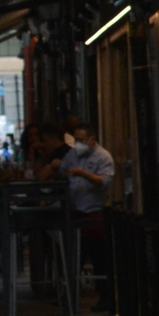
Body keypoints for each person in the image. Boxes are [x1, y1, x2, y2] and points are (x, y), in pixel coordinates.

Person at [60, 121, 115, 293]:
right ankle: (69, 295)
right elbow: (62, 171)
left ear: (92, 140)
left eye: (81, 140)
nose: (78, 144)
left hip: (94, 214)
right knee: (74, 258)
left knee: (99, 258)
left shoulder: (103, 157)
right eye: (76, 139)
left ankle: (105, 297)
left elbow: (104, 182)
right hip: (75, 213)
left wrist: (83, 174)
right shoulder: (72, 154)